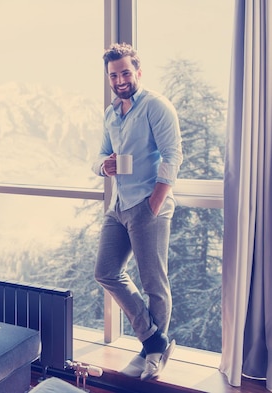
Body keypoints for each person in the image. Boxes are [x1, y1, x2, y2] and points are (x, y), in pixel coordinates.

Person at [92, 43, 183, 381]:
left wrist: (154, 204)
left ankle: (153, 355)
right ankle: (155, 340)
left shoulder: (156, 107)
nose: (120, 80)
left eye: (125, 72)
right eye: (114, 75)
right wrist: (105, 166)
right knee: (105, 271)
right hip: (118, 207)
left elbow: (172, 157)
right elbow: (99, 155)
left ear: (138, 72)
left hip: (147, 207)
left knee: (153, 282)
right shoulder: (111, 113)